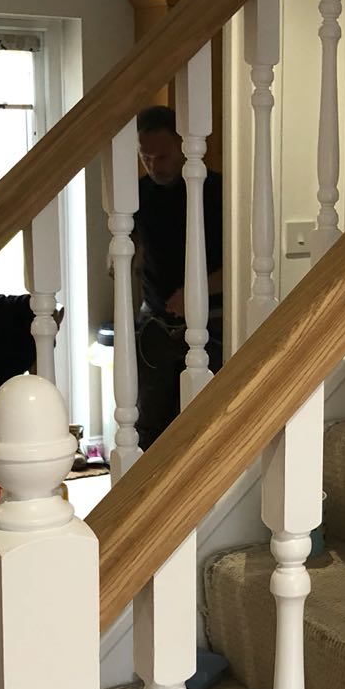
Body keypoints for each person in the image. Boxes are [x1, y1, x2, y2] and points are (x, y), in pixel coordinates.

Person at [132, 104, 223, 447]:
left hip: (211, 324)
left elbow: (238, 265)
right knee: (150, 425)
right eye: (146, 157)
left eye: (163, 156)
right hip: (154, 325)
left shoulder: (216, 191)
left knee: (202, 423)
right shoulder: (138, 195)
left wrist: (194, 293)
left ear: (184, 148)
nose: (155, 166)